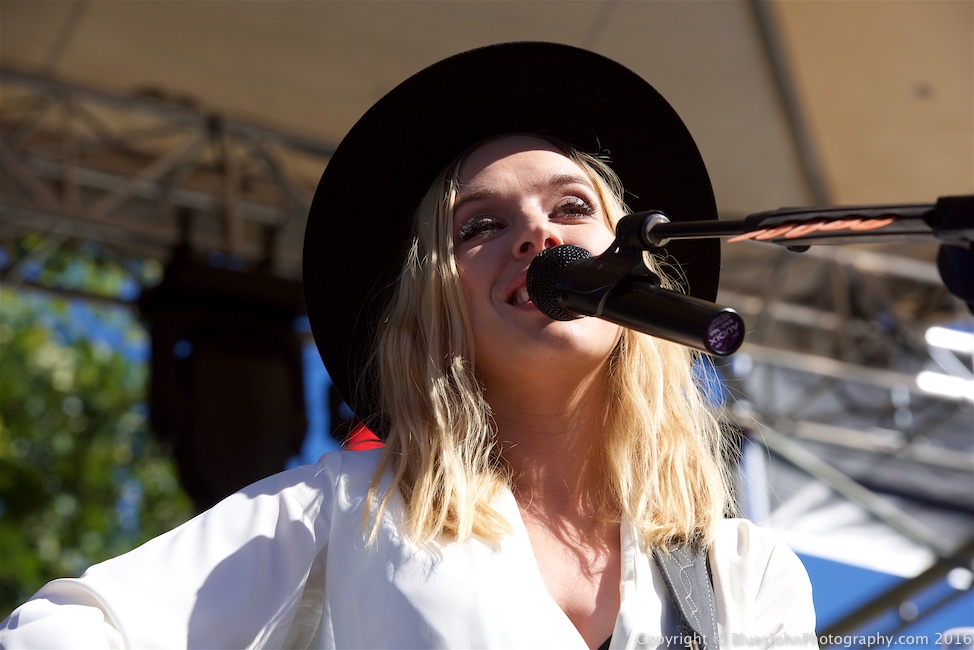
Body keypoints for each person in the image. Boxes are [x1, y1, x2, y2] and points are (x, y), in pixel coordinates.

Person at [0, 42, 816, 649]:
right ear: (435, 309)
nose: (536, 233)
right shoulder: (349, 506)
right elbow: (59, 630)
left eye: (571, 209)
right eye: (482, 227)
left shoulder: (740, 573)